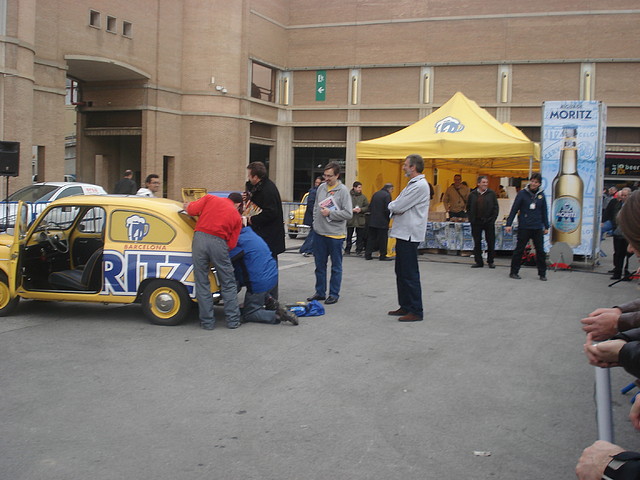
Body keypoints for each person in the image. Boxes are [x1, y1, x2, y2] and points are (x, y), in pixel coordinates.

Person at [226, 193, 298, 326]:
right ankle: (270, 301)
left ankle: (277, 316)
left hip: (259, 282)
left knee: (250, 313)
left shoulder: (237, 241)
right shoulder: (249, 233)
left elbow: (224, 260)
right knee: (255, 286)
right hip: (271, 276)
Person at [184, 193, 243, 330]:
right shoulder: (236, 216)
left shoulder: (210, 198)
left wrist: (187, 206)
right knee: (228, 282)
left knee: (202, 281)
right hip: (219, 242)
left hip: (199, 239)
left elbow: (192, 210)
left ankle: (207, 322)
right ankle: (233, 321)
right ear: (238, 204)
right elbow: (232, 244)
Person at [387, 154, 430, 322]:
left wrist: (393, 206)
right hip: (404, 233)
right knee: (401, 271)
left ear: (413, 167)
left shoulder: (419, 186)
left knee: (410, 273)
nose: (403, 167)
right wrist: (395, 206)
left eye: (406, 165)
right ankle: (405, 305)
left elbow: (398, 205)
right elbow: (398, 205)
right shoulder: (412, 184)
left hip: (409, 235)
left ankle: (416, 310)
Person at [307, 161, 352, 305]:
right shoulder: (321, 188)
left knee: (336, 266)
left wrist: (331, 214)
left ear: (337, 176)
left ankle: (333, 293)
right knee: (319, 265)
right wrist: (315, 222)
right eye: (325, 175)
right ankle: (320, 292)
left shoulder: (343, 191)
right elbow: (315, 207)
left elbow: (348, 213)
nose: (326, 178)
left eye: (330, 176)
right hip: (320, 233)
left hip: (335, 235)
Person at [244, 161, 286, 297]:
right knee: (262, 267)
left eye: (250, 175)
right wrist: (247, 195)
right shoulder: (259, 186)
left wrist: (252, 219)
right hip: (263, 234)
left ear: (256, 177)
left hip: (270, 236)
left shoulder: (268, 190)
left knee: (270, 268)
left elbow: (270, 213)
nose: (248, 178)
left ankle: (271, 298)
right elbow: (252, 191)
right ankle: (263, 297)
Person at [505, 173, 549, 281]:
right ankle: (514, 272)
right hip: (525, 226)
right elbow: (514, 208)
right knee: (519, 250)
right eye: (532, 181)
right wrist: (508, 223)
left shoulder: (541, 195)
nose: (534, 184)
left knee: (540, 251)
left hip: (537, 227)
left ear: (539, 184)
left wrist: (546, 226)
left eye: (536, 182)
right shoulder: (522, 193)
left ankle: (542, 273)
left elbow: (544, 211)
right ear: (530, 181)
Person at [466, 175, 499, 268]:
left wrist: (492, 219)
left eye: (486, 182)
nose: (485, 184)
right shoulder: (472, 194)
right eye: (483, 182)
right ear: (478, 183)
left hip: (489, 221)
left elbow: (496, 207)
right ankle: (478, 261)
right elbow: (468, 207)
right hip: (476, 221)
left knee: (490, 241)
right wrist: (471, 218)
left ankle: (490, 261)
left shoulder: (491, 194)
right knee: (477, 242)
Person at [604, 187, 632, 280]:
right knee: (618, 253)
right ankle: (617, 272)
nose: (623, 197)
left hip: (628, 234)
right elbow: (613, 215)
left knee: (628, 254)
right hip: (618, 232)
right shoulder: (617, 204)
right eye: (622, 195)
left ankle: (627, 273)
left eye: (625, 195)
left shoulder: (633, 206)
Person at [365, 183, 394, 261]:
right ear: (389, 189)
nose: (392, 192)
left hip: (372, 220)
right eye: (392, 190)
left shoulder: (376, 194)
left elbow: (370, 206)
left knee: (371, 238)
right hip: (382, 221)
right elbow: (387, 209)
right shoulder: (387, 195)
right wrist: (389, 217)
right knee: (383, 239)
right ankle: (383, 255)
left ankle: (368, 254)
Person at [299, 176, 323, 257]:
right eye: (317, 182)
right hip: (313, 217)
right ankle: (306, 249)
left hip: (315, 216)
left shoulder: (318, 191)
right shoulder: (314, 192)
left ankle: (309, 249)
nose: (317, 184)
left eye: (318, 183)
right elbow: (311, 205)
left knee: (314, 233)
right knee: (313, 233)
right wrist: (316, 214)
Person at [345, 181, 369, 255]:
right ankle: (347, 249)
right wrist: (351, 209)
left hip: (360, 219)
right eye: (359, 187)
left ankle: (359, 250)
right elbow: (344, 205)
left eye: (360, 187)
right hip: (351, 218)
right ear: (354, 187)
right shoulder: (348, 196)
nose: (360, 189)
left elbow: (367, 206)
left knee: (360, 236)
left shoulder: (363, 197)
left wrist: (361, 210)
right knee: (349, 235)